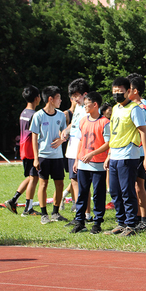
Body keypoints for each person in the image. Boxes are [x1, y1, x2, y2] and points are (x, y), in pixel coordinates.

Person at [104, 76, 146, 236]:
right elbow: (113, 133)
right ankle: (121, 222)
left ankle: (131, 224)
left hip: (128, 155)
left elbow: (143, 132)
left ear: (129, 91)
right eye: (114, 92)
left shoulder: (135, 109)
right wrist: (108, 154)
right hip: (115, 155)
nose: (117, 95)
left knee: (127, 191)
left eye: (120, 92)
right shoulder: (116, 108)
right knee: (115, 191)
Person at [70, 92, 110, 234]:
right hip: (82, 164)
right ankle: (80, 221)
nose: (85, 106)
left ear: (95, 105)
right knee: (82, 194)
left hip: (98, 164)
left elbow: (108, 143)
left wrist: (92, 154)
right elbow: (81, 141)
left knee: (98, 194)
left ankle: (97, 222)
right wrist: (77, 159)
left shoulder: (104, 122)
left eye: (87, 104)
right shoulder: (83, 121)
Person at [30, 86, 68, 224]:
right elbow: (34, 137)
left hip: (57, 156)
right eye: (58, 97)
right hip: (43, 156)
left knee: (60, 184)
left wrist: (61, 139)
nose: (60, 100)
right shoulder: (38, 115)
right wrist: (35, 158)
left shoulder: (60, 115)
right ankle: (44, 214)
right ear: (51, 99)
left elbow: (64, 132)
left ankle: (56, 212)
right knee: (43, 184)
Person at [5, 85, 42, 216]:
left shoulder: (23, 113)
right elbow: (35, 134)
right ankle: (28, 208)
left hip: (24, 148)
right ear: (37, 98)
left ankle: (13, 200)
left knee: (31, 176)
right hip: (32, 150)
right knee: (34, 178)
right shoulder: (34, 115)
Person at [127, 73, 146, 232]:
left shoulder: (143, 107)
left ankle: (144, 218)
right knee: (135, 185)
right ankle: (137, 217)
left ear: (135, 91)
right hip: (132, 151)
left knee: (140, 185)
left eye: (127, 89)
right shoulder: (131, 105)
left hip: (140, 152)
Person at [61, 78, 90, 217]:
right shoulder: (78, 107)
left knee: (83, 183)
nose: (74, 99)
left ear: (85, 94)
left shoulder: (88, 109)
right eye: (72, 96)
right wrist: (66, 131)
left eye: (76, 95)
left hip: (82, 150)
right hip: (72, 149)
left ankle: (85, 214)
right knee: (74, 181)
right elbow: (73, 124)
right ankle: (81, 214)